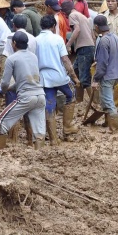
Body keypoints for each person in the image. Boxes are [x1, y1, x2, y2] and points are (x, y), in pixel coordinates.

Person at [0, 31, 46, 150]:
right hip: (40, 96)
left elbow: (5, 82)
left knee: (1, 121)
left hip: (26, 97)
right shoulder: (33, 57)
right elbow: (25, 81)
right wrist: (10, 88)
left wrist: (3, 90)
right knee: (39, 132)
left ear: (14, 43)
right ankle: (40, 156)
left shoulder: (12, 59)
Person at [37, 15, 79, 145]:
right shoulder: (57, 39)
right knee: (71, 96)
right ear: (53, 26)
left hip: (44, 78)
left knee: (49, 106)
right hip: (59, 76)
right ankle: (67, 128)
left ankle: (54, 139)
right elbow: (65, 60)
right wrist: (74, 77)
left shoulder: (36, 40)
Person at [91, 15, 118, 132]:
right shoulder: (115, 37)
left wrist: (96, 80)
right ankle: (107, 122)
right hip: (117, 73)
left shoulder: (103, 41)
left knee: (108, 101)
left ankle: (114, 129)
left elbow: (102, 63)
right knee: (106, 99)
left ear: (96, 26)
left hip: (108, 74)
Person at [64, 0, 95, 102]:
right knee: (76, 72)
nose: (63, 14)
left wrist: (68, 44)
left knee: (84, 78)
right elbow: (92, 34)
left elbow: (77, 30)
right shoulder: (82, 16)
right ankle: (79, 101)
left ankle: (94, 102)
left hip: (84, 48)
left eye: (63, 11)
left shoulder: (72, 15)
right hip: (88, 47)